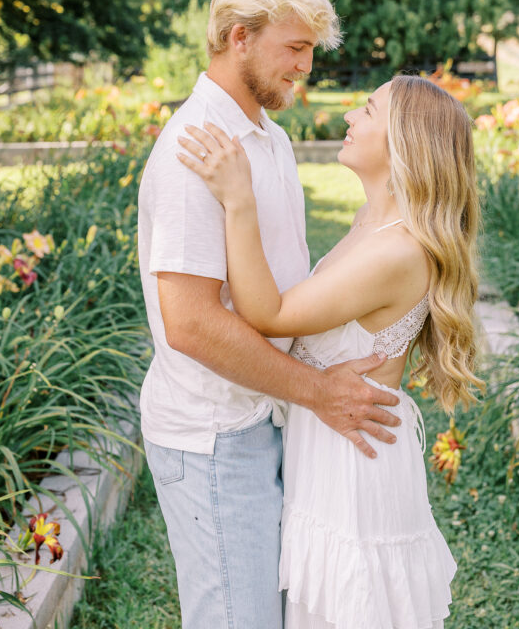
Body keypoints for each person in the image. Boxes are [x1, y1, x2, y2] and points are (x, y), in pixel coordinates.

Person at [137, 0, 401, 629]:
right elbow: (190, 324)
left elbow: (284, 289)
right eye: (294, 48)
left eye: (310, 50)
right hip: (214, 435)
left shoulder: (268, 140)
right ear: (239, 37)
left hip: (266, 418)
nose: (304, 67)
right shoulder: (193, 150)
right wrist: (318, 391)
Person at [177, 73, 484, 629]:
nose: (349, 117)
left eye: (368, 111)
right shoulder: (373, 223)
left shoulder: (396, 249)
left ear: (404, 144)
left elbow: (267, 313)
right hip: (331, 448)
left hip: (353, 465)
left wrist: (239, 201)